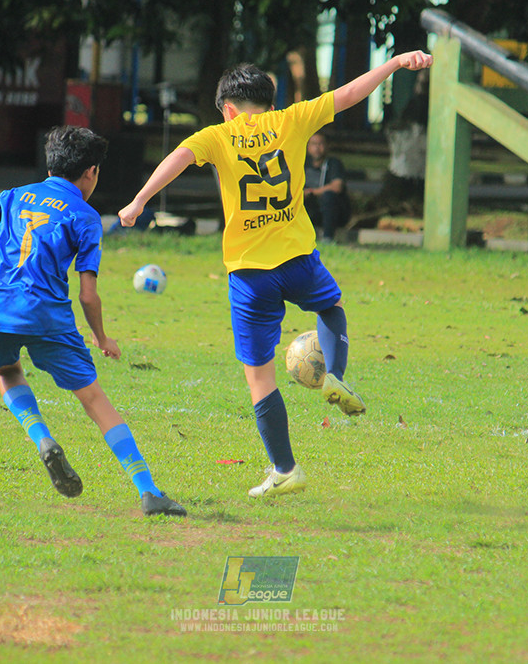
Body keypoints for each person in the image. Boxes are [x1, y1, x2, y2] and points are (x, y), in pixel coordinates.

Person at [118, 51, 433, 499]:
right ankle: (336, 372)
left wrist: (139, 200)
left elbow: (180, 157)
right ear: (269, 102)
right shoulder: (291, 120)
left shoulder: (218, 134)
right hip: (299, 259)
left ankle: (285, 469)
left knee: (258, 375)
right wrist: (395, 63)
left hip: (249, 274)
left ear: (228, 108)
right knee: (331, 306)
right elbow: (349, 94)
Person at [0, 125, 186, 517]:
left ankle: (43, 439)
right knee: (95, 400)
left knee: (9, 372)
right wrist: (101, 337)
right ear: (90, 173)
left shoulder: (11, 196)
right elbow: (87, 294)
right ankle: (148, 491)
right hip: (43, 312)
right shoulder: (85, 216)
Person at [303, 131, 349, 242]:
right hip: (309, 207)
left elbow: (337, 186)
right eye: (314, 144)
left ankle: (328, 237)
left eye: (321, 144)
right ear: (308, 146)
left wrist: (313, 192)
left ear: (327, 146)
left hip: (332, 211)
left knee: (329, 196)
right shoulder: (303, 163)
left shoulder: (333, 163)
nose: (317, 148)